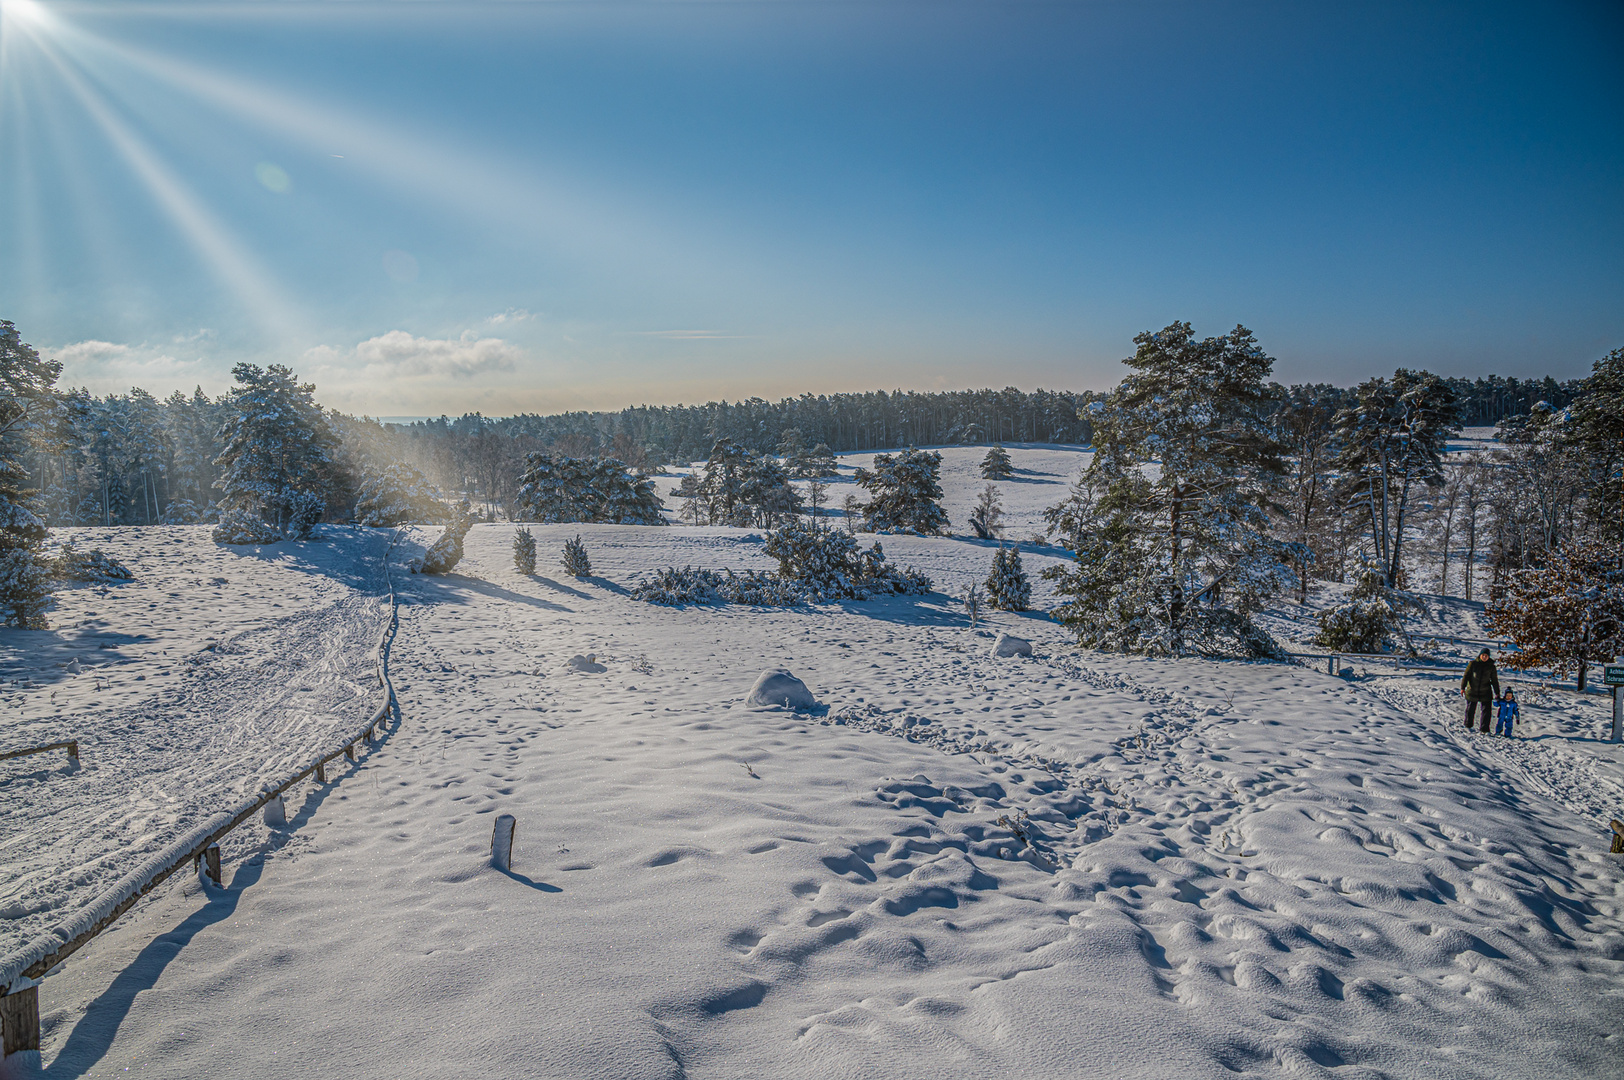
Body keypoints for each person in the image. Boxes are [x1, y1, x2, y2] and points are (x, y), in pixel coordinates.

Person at [1460, 648, 1500, 733]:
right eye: (1483, 655)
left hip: (1485, 691)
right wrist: (1463, 687)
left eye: (1486, 656)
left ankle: (1484, 729)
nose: (1484, 657)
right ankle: (1468, 725)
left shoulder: (1491, 666)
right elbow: (1466, 676)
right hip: (1472, 690)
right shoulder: (1473, 664)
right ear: (1480, 655)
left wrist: (1497, 693)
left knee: (1486, 711)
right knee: (1470, 709)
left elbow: (1494, 680)